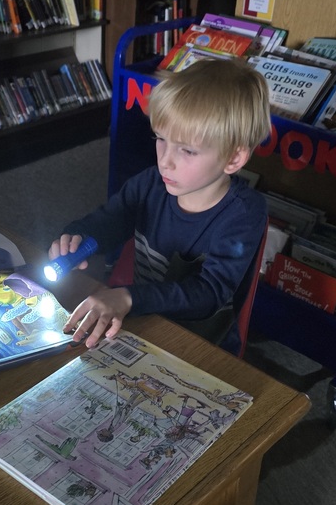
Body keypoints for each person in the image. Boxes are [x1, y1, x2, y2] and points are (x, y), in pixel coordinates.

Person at [48, 57, 271, 353]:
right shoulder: (151, 182)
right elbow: (110, 220)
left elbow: (208, 293)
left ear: (233, 159)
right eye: (161, 139)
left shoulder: (244, 213)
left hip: (203, 344)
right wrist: (77, 237)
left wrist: (129, 297)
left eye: (187, 151)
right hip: (141, 319)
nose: (165, 160)